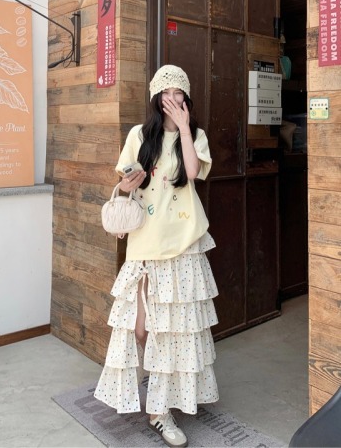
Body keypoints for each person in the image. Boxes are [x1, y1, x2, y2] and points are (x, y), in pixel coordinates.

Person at [94, 64, 219, 448]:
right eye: (164, 94)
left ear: (185, 96)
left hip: (183, 239)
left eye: (177, 93)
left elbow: (194, 173)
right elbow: (123, 183)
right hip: (146, 241)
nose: (171, 100)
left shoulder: (194, 134)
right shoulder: (138, 135)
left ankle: (160, 412)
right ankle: (157, 393)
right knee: (141, 327)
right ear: (155, 98)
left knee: (177, 328)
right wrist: (127, 183)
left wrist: (183, 128)